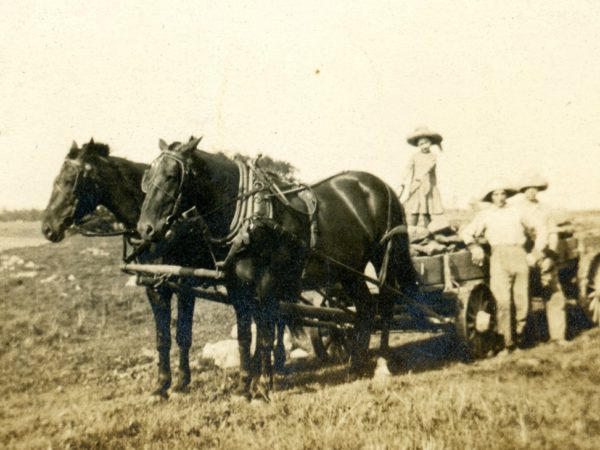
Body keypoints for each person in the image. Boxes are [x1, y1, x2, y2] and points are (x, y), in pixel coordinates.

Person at [461, 179, 547, 356]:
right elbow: (467, 232)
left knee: (522, 301)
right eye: (495, 194)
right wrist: (474, 247)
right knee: (502, 302)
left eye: (502, 193)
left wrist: (536, 253)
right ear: (490, 197)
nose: (499, 197)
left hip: (519, 255)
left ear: (507, 195)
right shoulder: (485, 214)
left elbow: (541, 228)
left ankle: (521, 337)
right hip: (498, 257)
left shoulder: (517, 211)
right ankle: (507, 343)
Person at [517, 172, 568, 345]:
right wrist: (528, 256)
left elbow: (553, 233)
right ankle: (533, 337)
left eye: (534, 189)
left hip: (544, 254)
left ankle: (558, 336)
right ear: (523, 191)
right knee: (525, 297)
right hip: (526, 256)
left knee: (554, 294)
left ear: (538, 190)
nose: (531, 192)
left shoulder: (545, 209)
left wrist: (550, 256)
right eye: (527, 189)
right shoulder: (517, 210)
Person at [398, 126, 444, 227]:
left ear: (430, 143)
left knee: (425, 209)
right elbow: (408, 168)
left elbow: (429, 167)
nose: (424, 146)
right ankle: (412, 229)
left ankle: (427, 230)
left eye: (426, 143)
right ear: (419, 146)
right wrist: (403, 180)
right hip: (415, 185)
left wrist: (421, 176)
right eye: (421, 144)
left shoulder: (432, 157)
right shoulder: (415, 156)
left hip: (427, 186)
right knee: (415, 208)